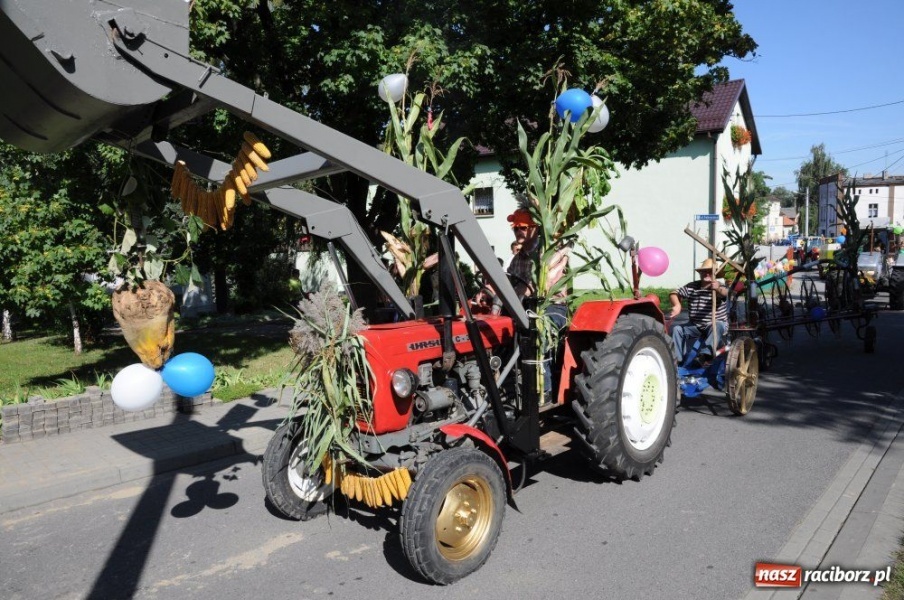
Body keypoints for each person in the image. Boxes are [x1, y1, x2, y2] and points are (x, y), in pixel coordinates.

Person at [668, 258, 729, 363]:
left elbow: (724, 293)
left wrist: (717, 289)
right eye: (704, 271)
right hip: (695, 325)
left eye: (710, 271)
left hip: (714, 324)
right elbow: (674, 293)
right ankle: (677, 360)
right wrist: (677, 305)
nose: (706, 274)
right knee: (677, 329)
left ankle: (705, 355)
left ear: (715, 273)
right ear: (700, 273)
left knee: (717, 326)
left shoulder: (719, 286)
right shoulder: (692, 286)